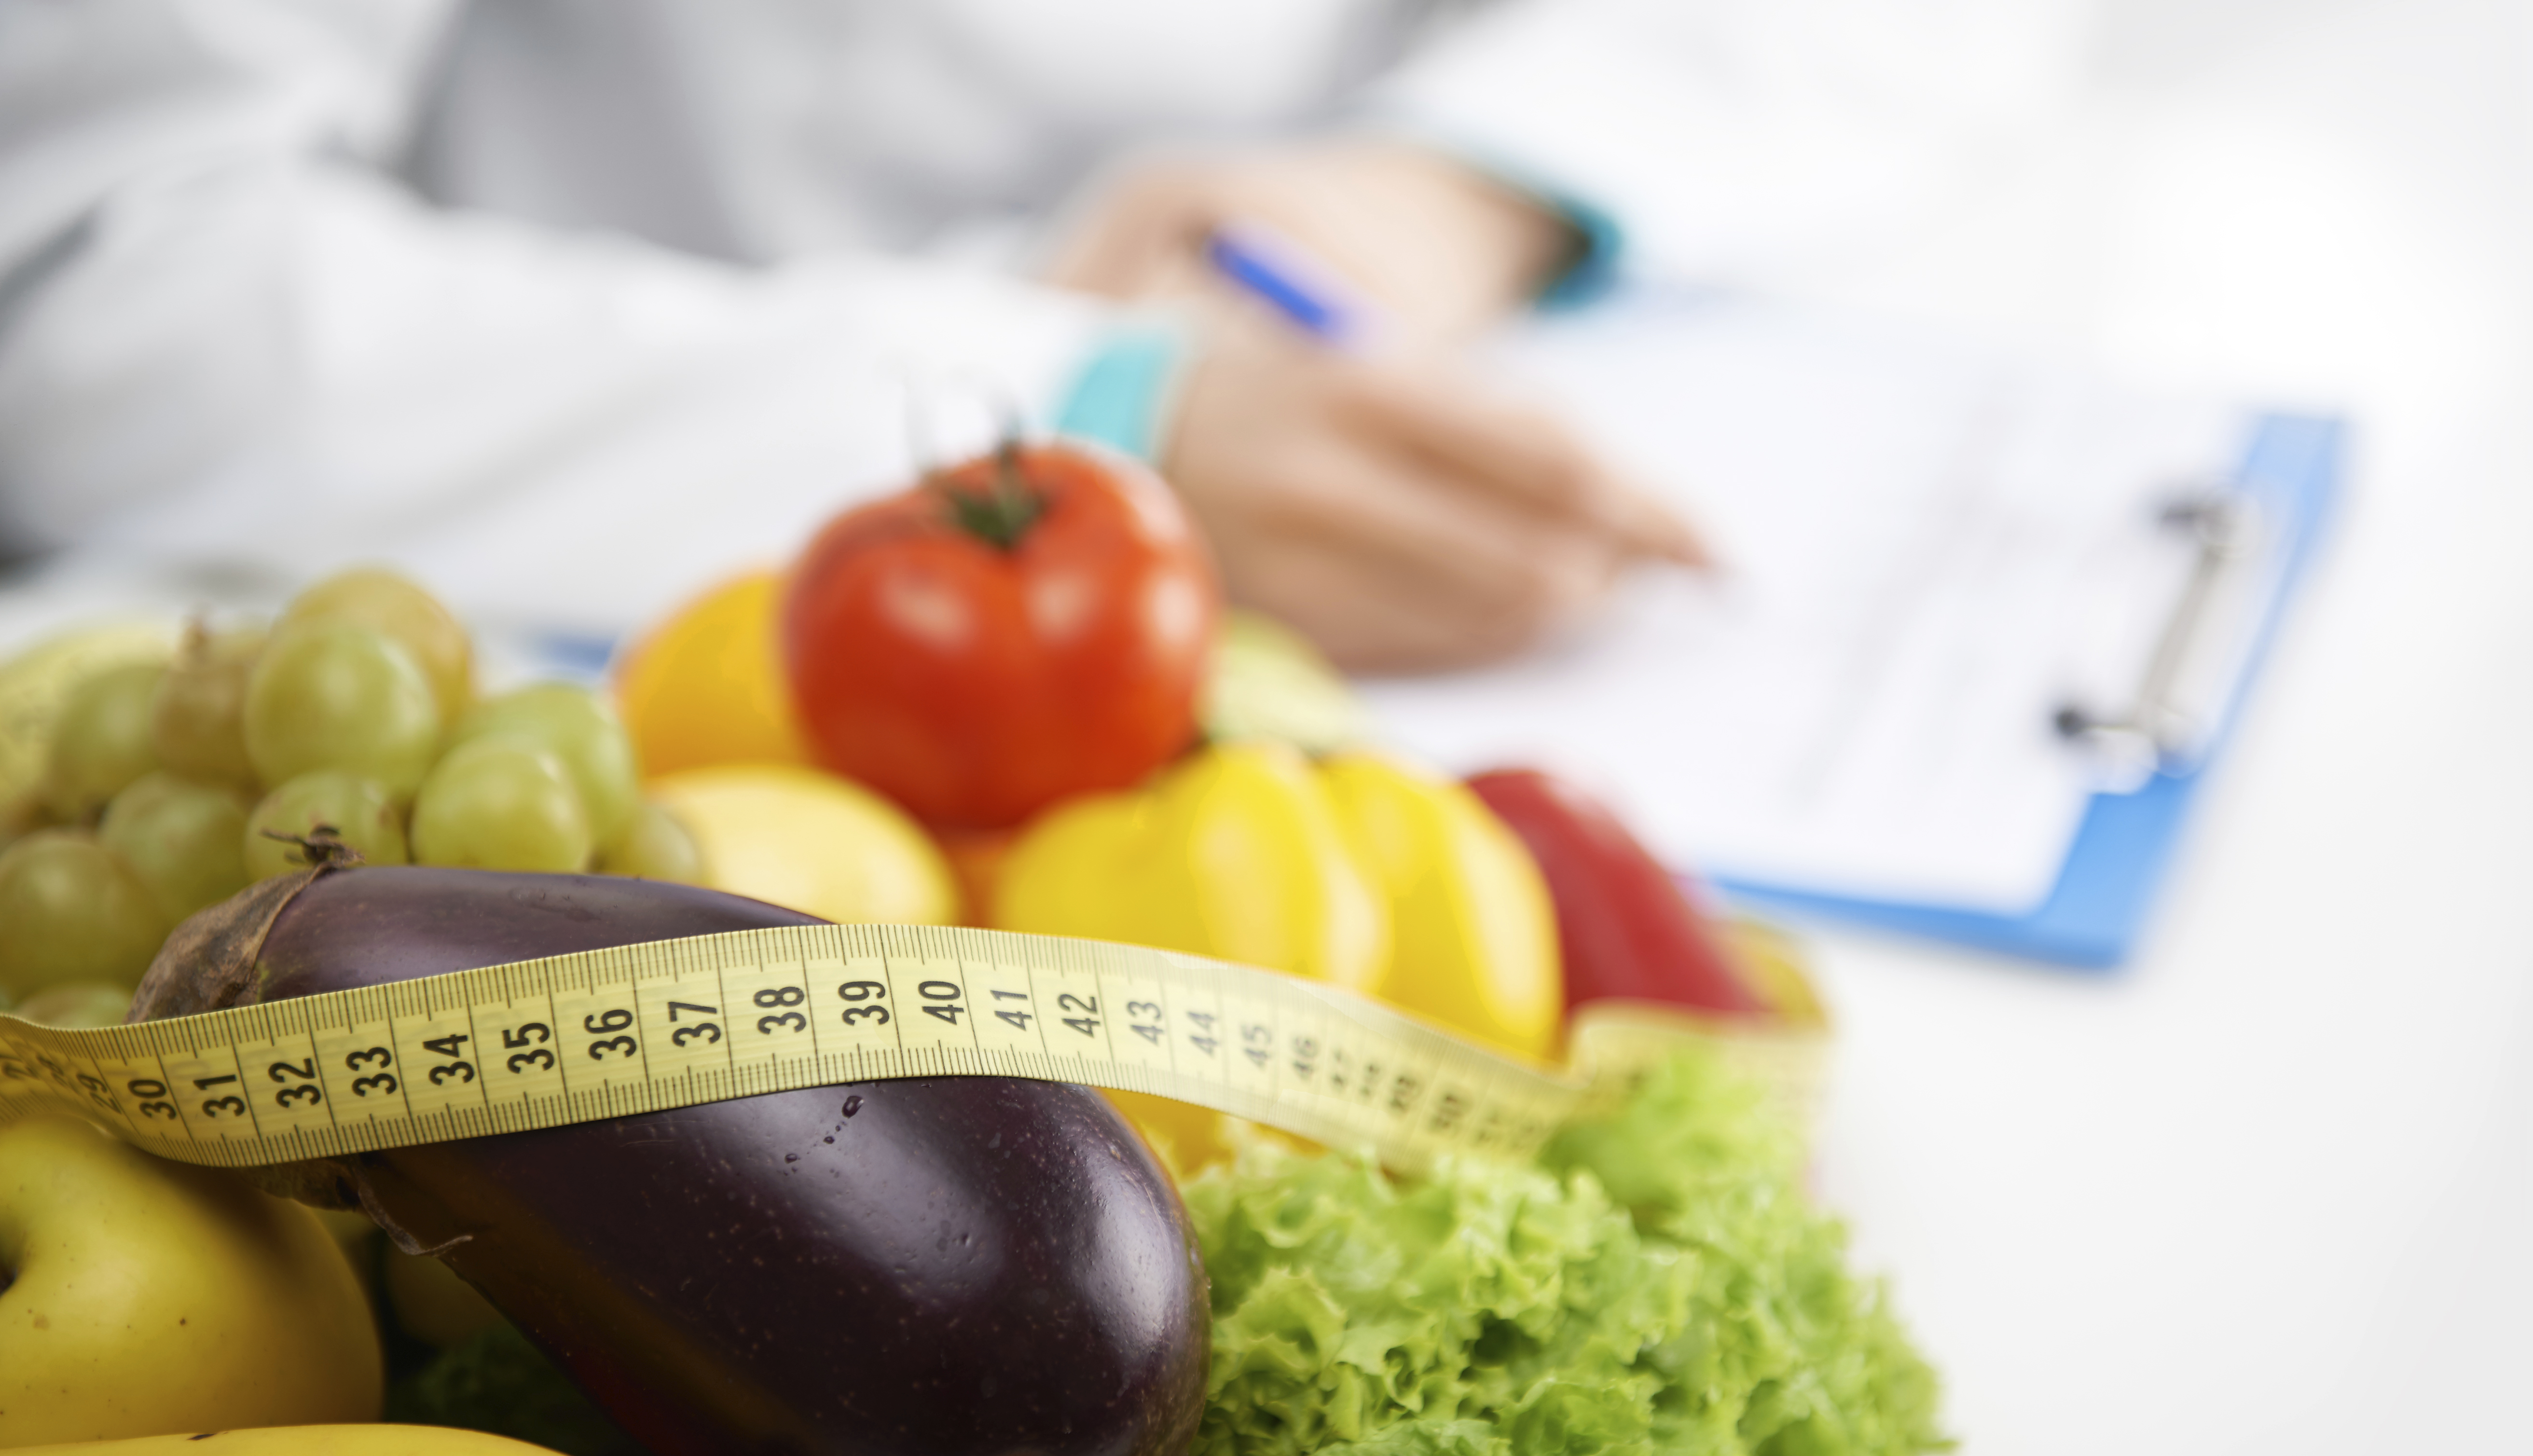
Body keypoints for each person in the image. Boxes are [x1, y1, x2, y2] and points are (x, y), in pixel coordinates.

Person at [0, 0, 2075, 670]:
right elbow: (93, 281)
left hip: (1375, 312)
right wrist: (1055, 436)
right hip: (626, 543)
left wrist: (1466, 175)